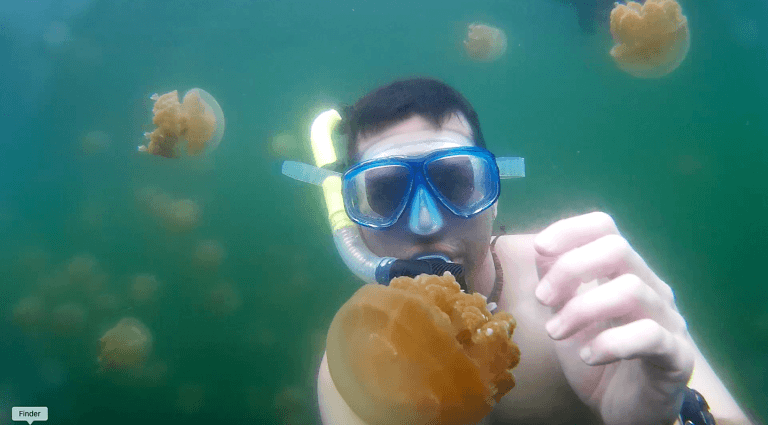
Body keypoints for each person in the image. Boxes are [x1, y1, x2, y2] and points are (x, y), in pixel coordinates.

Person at [313, 78, 752, 424]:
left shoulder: (578, 289)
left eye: (455, 182)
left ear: (493, 196)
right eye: (386, 193)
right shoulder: (349, 371)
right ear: (355, 221)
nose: (425, 222)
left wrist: (666, 413)